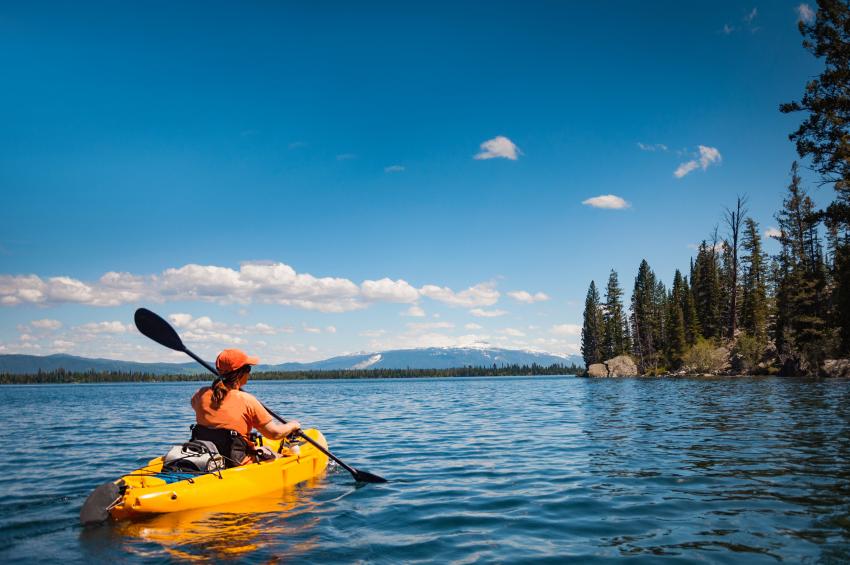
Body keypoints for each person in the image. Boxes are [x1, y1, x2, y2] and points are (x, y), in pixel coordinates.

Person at [191, 348, 300, 465]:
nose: (249, 373)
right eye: (248, 368)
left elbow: (197, 405)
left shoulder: (200, 394)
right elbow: (274, 433)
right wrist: (293, 425)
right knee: (273, 454)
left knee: (260, 449)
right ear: (241, 373)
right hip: (237, 461)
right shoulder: (247, 400)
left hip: (206, 457)